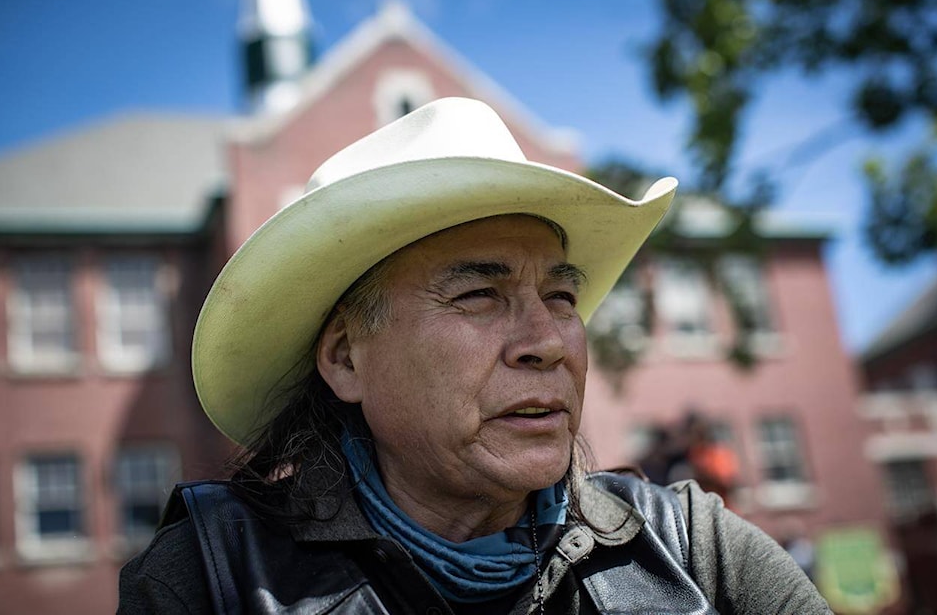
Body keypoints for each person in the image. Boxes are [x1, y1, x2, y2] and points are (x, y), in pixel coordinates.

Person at [118, 97, 832, 614]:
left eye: (560, 296)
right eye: (479, 295)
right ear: (345, 360)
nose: (548, 342)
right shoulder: (208, 580)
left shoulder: (690, 547)